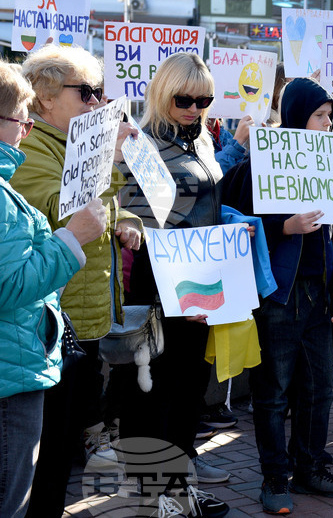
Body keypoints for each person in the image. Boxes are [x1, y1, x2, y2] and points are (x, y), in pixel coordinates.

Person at [9, 46, 142, 517]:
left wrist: (126, 219)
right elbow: (60, 209)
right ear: (45, 98)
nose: (95, 102)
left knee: (63, 444)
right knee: (45, 453)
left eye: (98, 92)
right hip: (52, 322)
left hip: (82, 315)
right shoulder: (31, 147)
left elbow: (102, 210)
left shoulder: (69, 142)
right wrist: (109, 160)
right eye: (85, 92)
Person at [220, 78, 333, 513]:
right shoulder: (261, 159)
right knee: (274, 390)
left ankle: (311, 467)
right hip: (280, 294)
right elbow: (237, 218)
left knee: (320, 388)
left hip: (319, 292)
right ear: (298, 113)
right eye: (320, 115)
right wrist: (285, 226)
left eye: (330, 116)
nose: (327, 123)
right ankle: (275, 476)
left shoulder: (332, 158)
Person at [116, 53, 234, 510]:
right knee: (155, 385)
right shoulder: (139, 144)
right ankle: (155, 493)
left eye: (203, 99)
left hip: (201, 273)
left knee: (189, 383)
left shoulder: (201, 139)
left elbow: (209, 199)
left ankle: (182, 485)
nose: (194, 107)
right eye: (184, 98)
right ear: (163, 93)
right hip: (159, 276)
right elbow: (127, 211)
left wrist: (228, 229)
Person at [0, 62, 105, 518]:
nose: (26, 125)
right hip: (12, 370)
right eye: (19, 115)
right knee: (13, 491)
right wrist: (69, 238)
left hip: (20, 357)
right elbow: (10, 285)